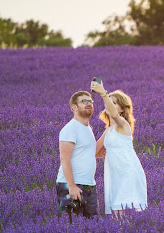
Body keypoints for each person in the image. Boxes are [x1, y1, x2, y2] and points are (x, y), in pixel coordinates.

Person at [91, 80, 147, 217]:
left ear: (122, 109)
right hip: (114, 175)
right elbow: (94, 151)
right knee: (117, 216)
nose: (109, 106)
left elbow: (114, 115)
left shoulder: (123, 124)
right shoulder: (108, 130)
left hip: (127, 172)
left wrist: (103, 93)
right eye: (109, 103)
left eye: (114, 103)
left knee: (120, 211)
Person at [55, 91, 101, 220]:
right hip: (71, 185)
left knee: (93, 225)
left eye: (90, 101)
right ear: (74, 107)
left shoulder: (88, 129)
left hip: (89, 184)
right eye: (83, 101)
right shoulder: (70, 128)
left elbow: (89, 152)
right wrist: (71, 186)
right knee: (71, 226)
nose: (88, 104)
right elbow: (65, 158)